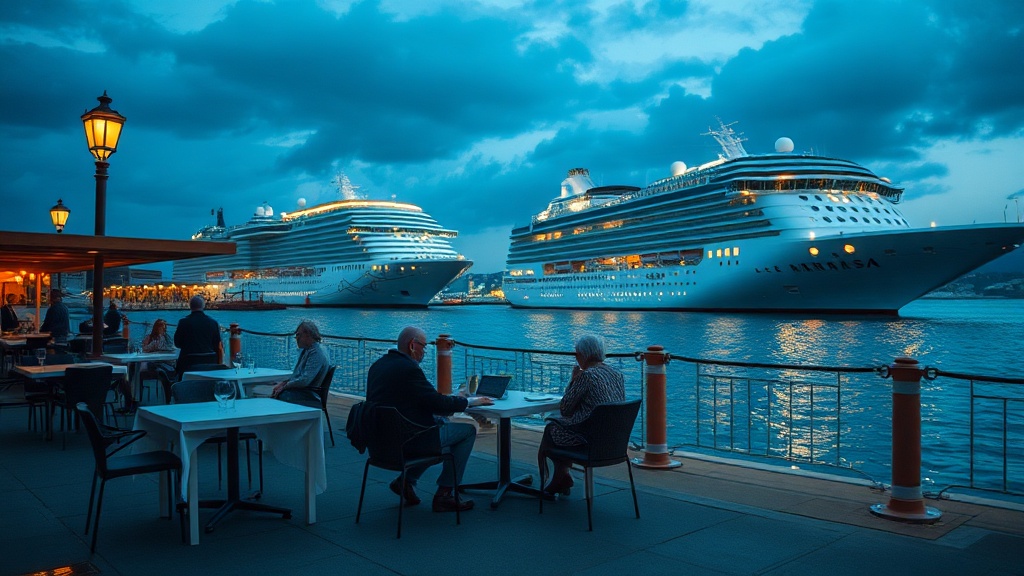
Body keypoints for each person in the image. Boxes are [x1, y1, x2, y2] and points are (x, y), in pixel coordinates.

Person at [365, 326, 493, 513]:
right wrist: (468, 401)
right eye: (424, 347)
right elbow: (435, 402)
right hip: (407, 444)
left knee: (442, 434)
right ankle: (445, 494)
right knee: (466, 432)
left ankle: (406, 482)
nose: (425, 351)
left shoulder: (378, 366)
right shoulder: (409, 369)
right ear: (412, 345)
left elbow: (407, 402)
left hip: (379, 446)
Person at [537, 333, 625, 496]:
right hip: (614, 443)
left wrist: (573, 379)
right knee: (563, 428)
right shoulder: (617, 374)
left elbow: (565, 408)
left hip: (589, 443)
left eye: (576, 354)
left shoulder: (587, 376)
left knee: (551, 429)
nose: (576, 358)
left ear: (584, 355)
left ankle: (557, 478)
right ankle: (561, 478)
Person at [271, 320, 330, 407]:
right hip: (304, 391)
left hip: (309, 395)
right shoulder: (308, 350)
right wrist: (283, 383)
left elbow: (304, 380)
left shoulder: (316, 353)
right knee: (277, 391)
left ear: (308, 334)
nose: (296, 339)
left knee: (280, 395)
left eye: (299, 335)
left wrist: (285, 386)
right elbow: (297, 375)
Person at [173, 295, 223, 378]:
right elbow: (217, 345)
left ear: (190, 306)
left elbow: (177, 343)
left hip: (187, 365)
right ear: (203, 306)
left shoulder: (183, 322)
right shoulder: (213, 322)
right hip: (209, 365)